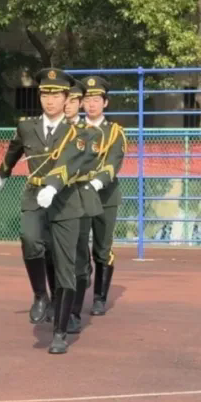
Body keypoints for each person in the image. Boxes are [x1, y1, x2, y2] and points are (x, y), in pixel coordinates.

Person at [0, 68, 98, 354]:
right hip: (33, 195)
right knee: (30, 240)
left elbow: (69, 161)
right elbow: (15, 148)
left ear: (66, 98)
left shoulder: (79, 133)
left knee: (65, 267)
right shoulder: (27, 127)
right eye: (44, 94)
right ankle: (40, 295)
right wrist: (3, 172)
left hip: (65, 200)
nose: (49, 100)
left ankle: (60, 332)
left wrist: (53, 186)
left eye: (55, 95)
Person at [80, 76, 126, 316]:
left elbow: (114, 161)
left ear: (105, 103)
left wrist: (97, 181)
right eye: (87, 99)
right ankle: (83, 272)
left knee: (102, 248)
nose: (91, 104)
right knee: (76, 245)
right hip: (77, 196)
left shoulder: (115, 132)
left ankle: (99, 298)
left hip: (104, 196)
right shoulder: (73, 130)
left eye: (96, 99)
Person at [66, 79, 104, 334]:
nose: (67, 105)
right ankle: (55, 302)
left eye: (73, 101)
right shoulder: (48, 131)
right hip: (52, 202)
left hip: (79, 198)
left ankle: (73, 312)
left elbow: (87, 163)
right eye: (65, 100)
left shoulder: (91, 133)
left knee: (78, 258)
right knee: (50, 255)